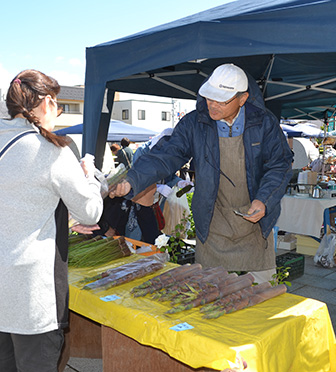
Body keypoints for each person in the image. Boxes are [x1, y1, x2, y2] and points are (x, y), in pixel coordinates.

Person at [0, 69, 103, 371]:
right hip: (28, 292)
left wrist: (64, 220)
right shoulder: (51, 152)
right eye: (58, 105)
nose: (57, 113)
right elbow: (92, 212)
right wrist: (91, 177)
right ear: (46, 103)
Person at [110, 63, 293, 283]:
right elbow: (166, 154)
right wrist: (132, 180)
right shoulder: (194, 123)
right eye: (208, 97)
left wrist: (264, 200)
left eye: (221, 100)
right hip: (212, 222)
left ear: (242, 99)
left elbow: (280, 164)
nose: (212, 105)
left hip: (255, 222)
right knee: (209, 291)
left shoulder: (264, 123)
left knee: (262, 293)